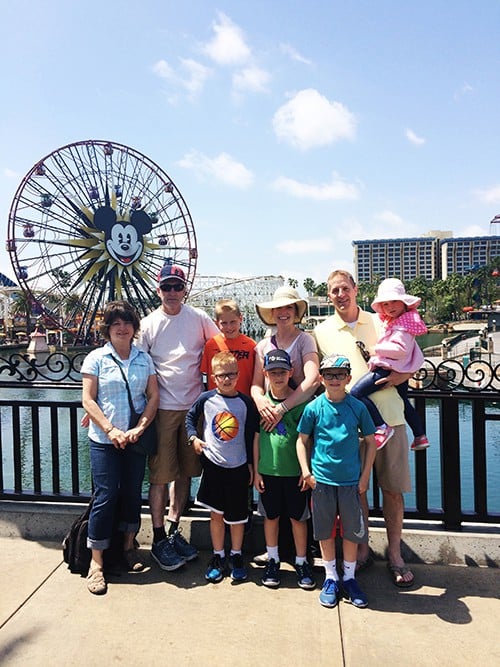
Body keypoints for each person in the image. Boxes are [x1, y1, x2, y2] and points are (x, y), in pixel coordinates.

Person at [313, 269, 415, 587]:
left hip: (390, 417)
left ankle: (396, 554)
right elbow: (318, 377)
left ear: (356, 290)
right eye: (334, 290)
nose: (340, 295)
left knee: (392, 491)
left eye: (345, 288)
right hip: (349, 425)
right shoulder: (321, 331)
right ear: (329, 296)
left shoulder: (380, 320)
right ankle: (363, 548)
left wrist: (402, 376)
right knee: (357, 492)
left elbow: (410, 351)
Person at [137, 262, 219, 571]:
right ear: (158, 290)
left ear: (185, 290)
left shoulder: (198, 318)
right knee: (160, 476)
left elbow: (220, 347)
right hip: (162, 408)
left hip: (193, 407)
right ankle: (158, 537)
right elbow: (138, 365)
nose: (172, 292)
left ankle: (173, 530)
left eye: (177, 287)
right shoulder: (148, 324)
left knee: (185, 472)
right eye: (167, 287)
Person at [81, 301, 159, 595]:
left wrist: (140, 427)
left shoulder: (144, 359)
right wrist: (110, 429)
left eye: (126, 323)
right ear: (108, 329)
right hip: (104, 440)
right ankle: (96, 562)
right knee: (105, 495)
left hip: (135, 439)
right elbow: (88, 399)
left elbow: (153, 396)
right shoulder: (96, 358)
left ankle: (128, 548)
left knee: (131, 493)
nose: (122, 328)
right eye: (116, 324)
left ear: (134, 328)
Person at [296, 354, 377, 608]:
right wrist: (306, 472)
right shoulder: (314, 407)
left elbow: (371, 442)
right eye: (329, 375)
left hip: (351, 481)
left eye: (339, 375)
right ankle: (331, 577)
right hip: (322, 481)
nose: (334, 379)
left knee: (352, 531)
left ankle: (350, 578)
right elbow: (302, 441)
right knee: (325, 530)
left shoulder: (357, 407)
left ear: (348, 378)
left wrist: (365, 477)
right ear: (321, 378)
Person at [185, 352, 259, 583]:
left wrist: (251, 466)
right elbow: (189, 418)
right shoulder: (206, 399)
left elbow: (251, 436)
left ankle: (236, 555)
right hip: (214, 466)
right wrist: (193, 439)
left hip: (238, 467)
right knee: (216, 515)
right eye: (221, 375)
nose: (226, 379)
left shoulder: (246, 403)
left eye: (231, 375)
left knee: (237, 518)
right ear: (214, 377)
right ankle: (218, 555)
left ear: (238, 375)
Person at [254, 349, 315, 590]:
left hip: (294, 473)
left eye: (282, 372)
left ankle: (301, 561)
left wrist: (305, 469)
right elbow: (256, 438)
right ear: (265, 374)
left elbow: (307, 440)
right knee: (271, 517)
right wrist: (257, 470)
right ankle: (273, 558)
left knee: (298, 519)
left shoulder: (301, 404)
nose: (277, 376)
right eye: (272, 372)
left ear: (291, 372)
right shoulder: (262, 404)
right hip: (268, 472)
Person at [350, 278, 430, 451]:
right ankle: (420, 435)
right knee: (404, 401)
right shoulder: (401, 321)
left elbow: (400, 349)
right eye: (385, 304)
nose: (390, 307)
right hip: (397, 368)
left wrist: (375, 350)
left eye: (394, 301)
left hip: (388, 368)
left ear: (403, 302)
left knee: (356, 393)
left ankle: (381, 426)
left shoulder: (403, 325)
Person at [251, 286, 320, 430]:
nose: (283, 312)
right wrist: (259, 400)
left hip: (299, 414)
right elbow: (256, 384)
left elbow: (313, 380)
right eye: (278, 308)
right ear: (272, 312)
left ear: (295, 312)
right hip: (270, 414)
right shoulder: (263, 345)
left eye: (289, 307)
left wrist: (282, 408)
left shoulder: (305, 340)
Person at [200, 298, 256, 394]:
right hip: (217, 401)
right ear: (217, 323)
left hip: (245, 400)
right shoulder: (211, 345)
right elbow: (206, 375)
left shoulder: (251, 345)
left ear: (241, 319)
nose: (229, 327)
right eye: (224, 323)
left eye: (233, 322)